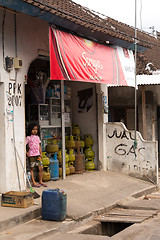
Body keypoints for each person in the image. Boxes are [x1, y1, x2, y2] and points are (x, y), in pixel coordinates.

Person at [26, 123, 47, 187]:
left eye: (36, 129)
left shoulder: (37, 137)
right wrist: (27, 153)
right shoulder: (28, 138)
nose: (35, 131)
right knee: (32, 168)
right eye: (33, 129)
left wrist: (40, 153)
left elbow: (39, 145)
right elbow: (23, 145)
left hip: (37, 155)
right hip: (31, 155)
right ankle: (33, 182)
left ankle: (40, 181)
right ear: (30, 130)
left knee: (41, 168)